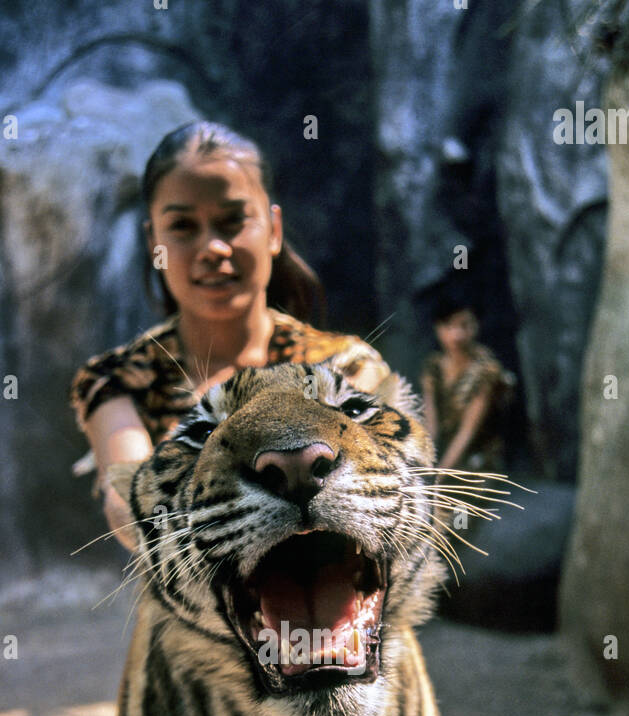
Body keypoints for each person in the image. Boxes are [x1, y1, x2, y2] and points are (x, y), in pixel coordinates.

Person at [70, 122, 389, 551]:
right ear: (153, 243)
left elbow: (386, 490)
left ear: (274, 230)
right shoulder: (117, 380)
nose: (213, 248)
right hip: (205, 612)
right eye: (183, 226)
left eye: (233, 220)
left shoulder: (345, 365)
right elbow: (130, 507)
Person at [421, 289, 515, 474]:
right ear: (437, 328)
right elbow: (431, 424)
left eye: (464, 325)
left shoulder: (486, 371)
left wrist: (440, 475)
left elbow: (467, 432)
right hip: (443, 452)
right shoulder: (433, 367)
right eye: (448, 326)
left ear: (476, 325)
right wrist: (425, 466)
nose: (456, 335)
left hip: (477, 459)